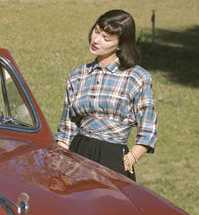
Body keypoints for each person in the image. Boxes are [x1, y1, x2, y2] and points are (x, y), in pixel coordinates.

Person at [55, 9, 157, 179]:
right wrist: (59, 163)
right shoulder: (78, 75)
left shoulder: (137, 78)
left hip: (113, 158)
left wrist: (129, 159)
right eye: (96, 31)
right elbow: (67, 128)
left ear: (120, 45)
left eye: (106, 38)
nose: (95, 40)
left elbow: (148, 130)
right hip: (77, 155)